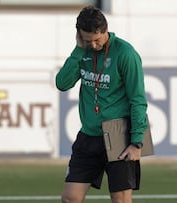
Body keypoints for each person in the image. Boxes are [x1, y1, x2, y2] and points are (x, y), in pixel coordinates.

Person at [55, 5, 148, 203]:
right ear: (79, 36)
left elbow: (138, 99)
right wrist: (79, 50)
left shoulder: (126, 53)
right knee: (69, 198)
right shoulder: (82, 52)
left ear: (105, 30)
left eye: (97, 39)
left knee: (120, 200)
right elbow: (62, 84)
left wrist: (137, 142)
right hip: (89, 134)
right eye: (88, 40)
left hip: (119, 133)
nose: (94, 45)